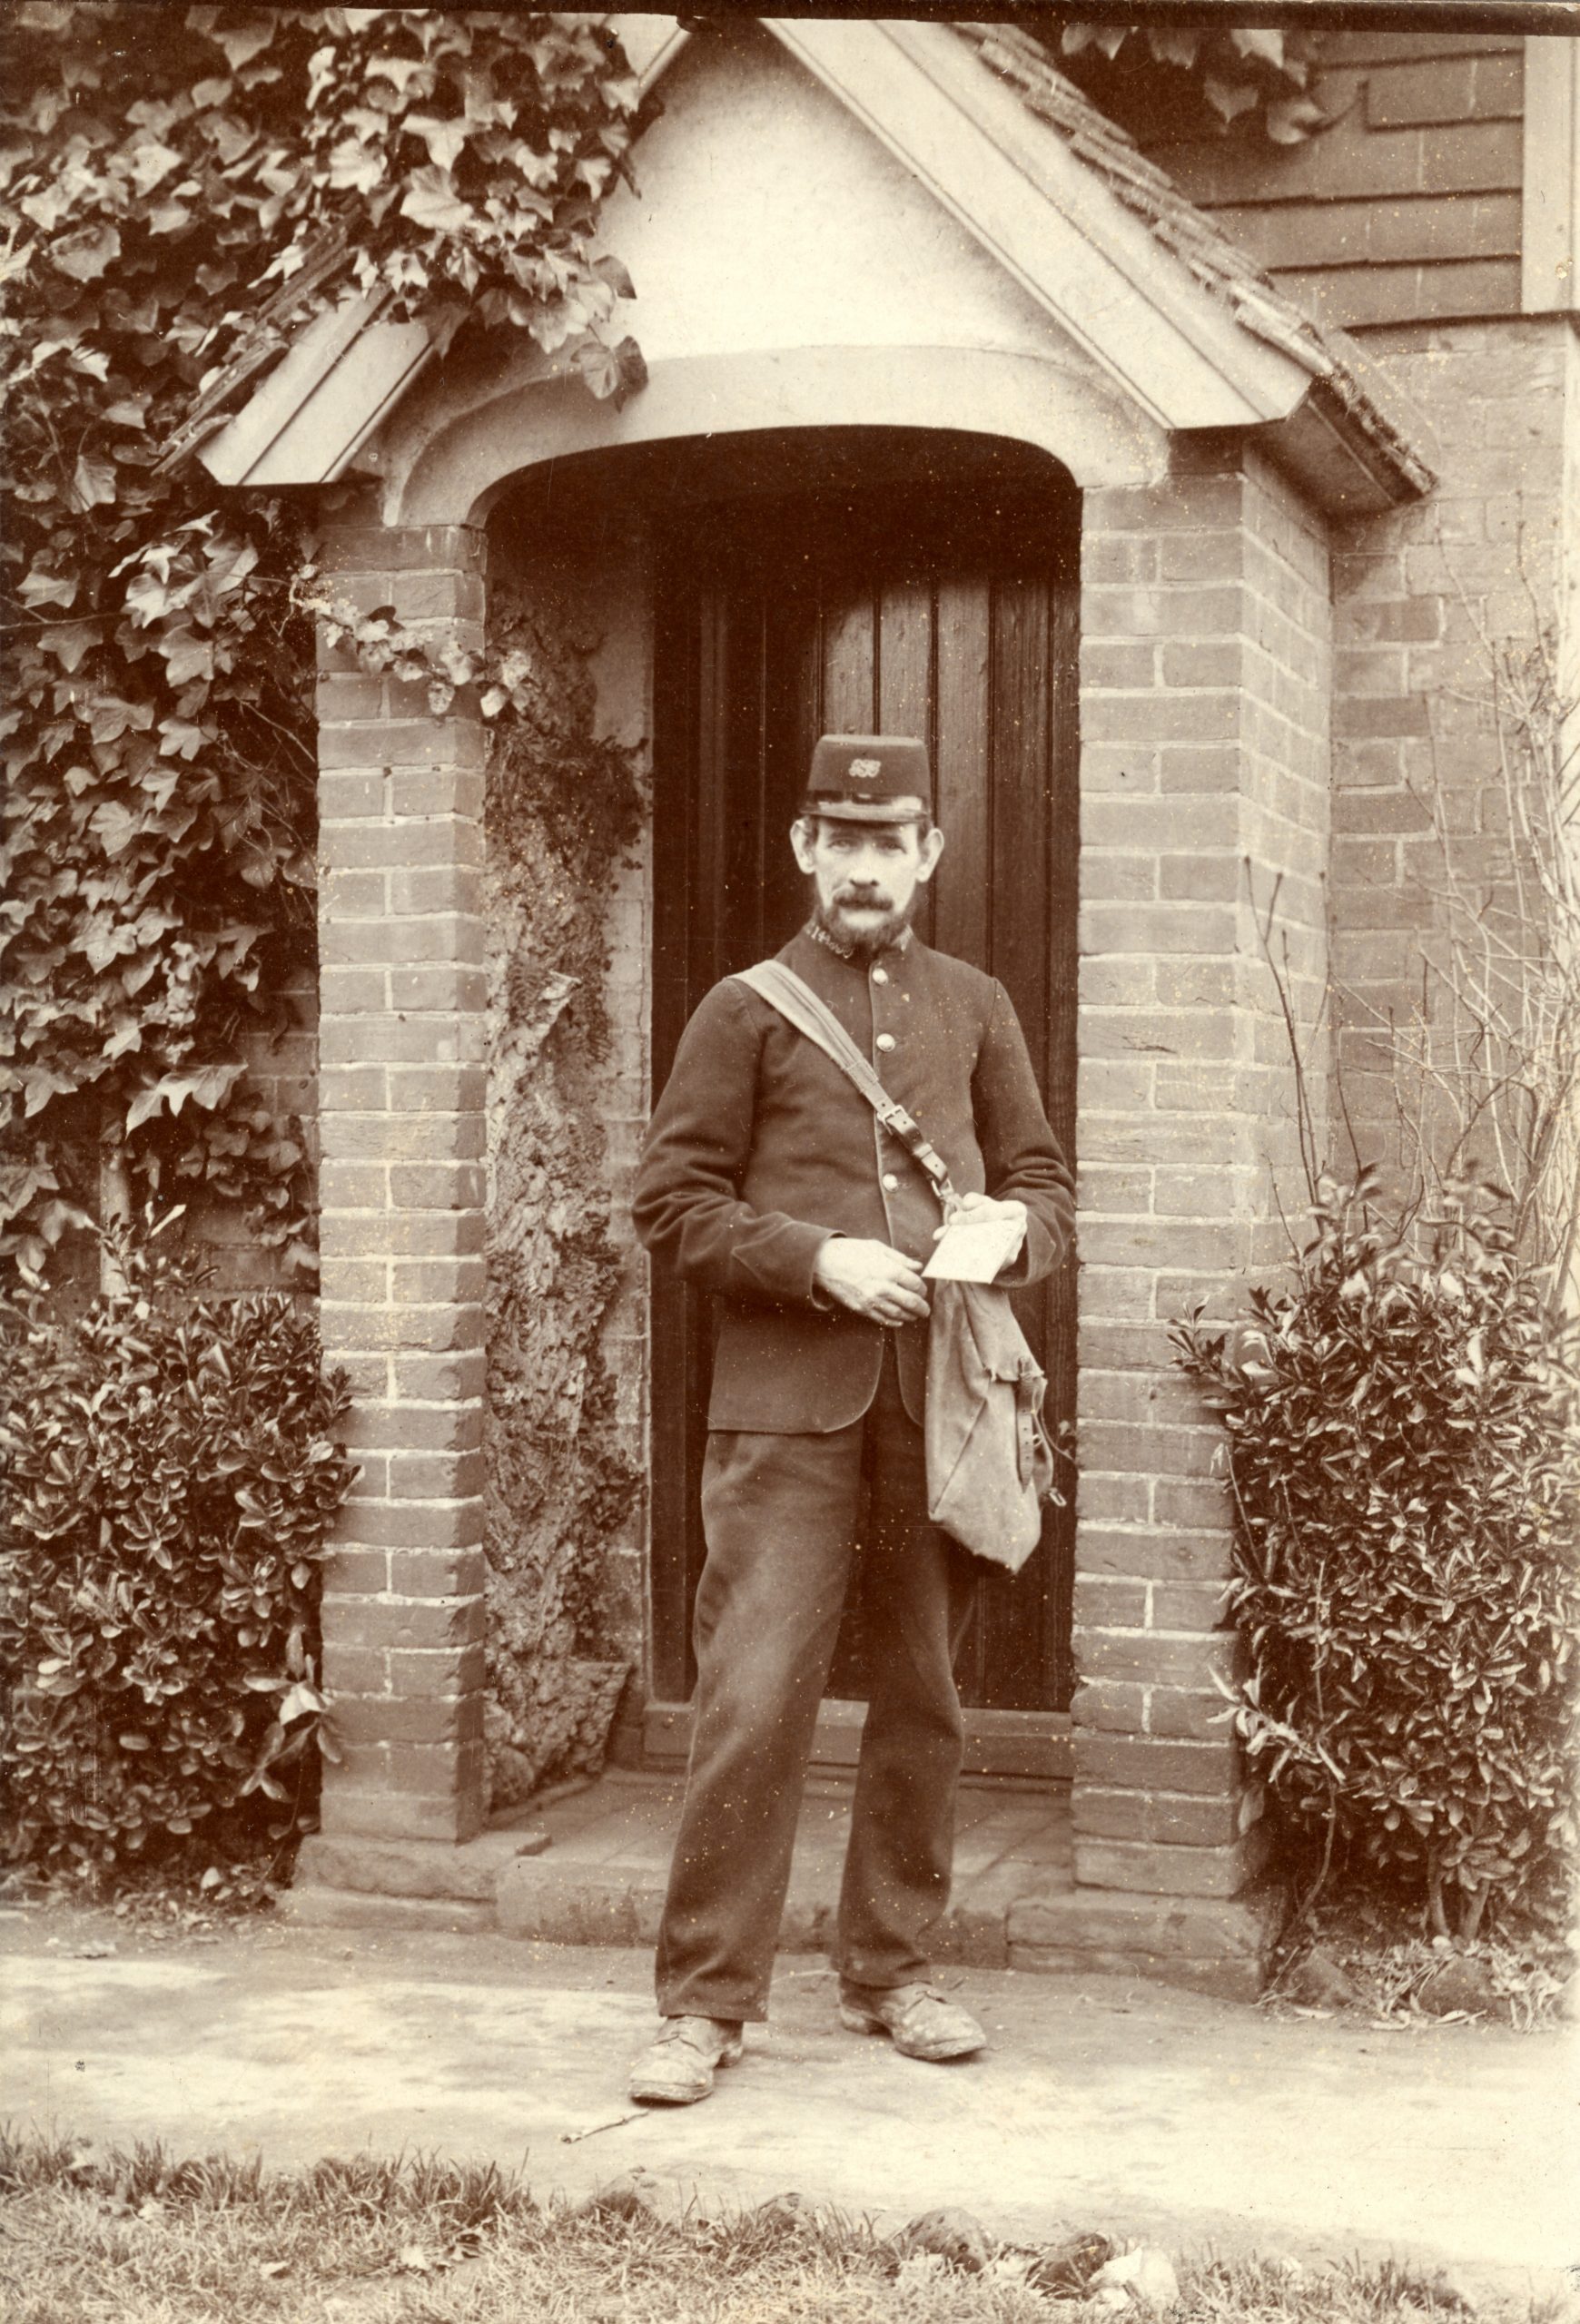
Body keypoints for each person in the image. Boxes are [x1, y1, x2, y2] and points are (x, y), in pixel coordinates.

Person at [627, 733, 1075, 2104]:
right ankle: (705, 2006)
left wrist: (1012, 1231)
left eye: (893, 844)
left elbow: (1049, 1185)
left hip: (936, 1410)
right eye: (845, 841)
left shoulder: (977, 1003)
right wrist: (815, 1260)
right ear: (805, 851)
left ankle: (892, 1971)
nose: (868, 867)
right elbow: (671, 1204)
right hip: (783, 1420)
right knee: (754, 1703)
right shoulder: (744, 1010)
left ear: (928, 854)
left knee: (925, 1701)